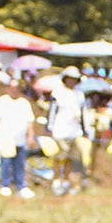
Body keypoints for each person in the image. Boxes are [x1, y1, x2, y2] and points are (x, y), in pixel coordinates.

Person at [0, 78, 35, 198]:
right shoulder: (1, 101)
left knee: (19, 163)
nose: (14, 90)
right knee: (6, 163)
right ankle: (5, 185)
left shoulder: (24, 103)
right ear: (8, 88)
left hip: (20, 139)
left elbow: (30, 122)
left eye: (17, 88)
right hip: (6, 138)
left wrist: (30, 136)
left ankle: (21, 186)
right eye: (12, 87)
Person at [47, 66, 89, 195]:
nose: (72, 81)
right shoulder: (57, 93)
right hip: (60, 129)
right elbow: (52, 111)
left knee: (71, 157)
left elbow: (83, 113)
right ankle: (56, 181)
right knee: (59, 156)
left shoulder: (79, 94)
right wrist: (50, 127)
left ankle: (66, 180)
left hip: (74, 131)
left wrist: (85, 129)